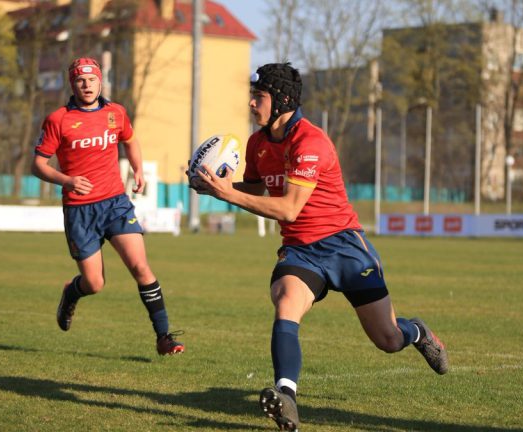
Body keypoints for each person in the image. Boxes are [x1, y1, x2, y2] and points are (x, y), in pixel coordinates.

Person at [190, 62, 448, 431]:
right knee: (286, 301)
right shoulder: (258, 143)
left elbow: (288, 208)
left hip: (345, 247)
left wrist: (226, 194)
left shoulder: (310, 143)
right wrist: (215, 184)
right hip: (301, 250)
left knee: (388, 339)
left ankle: (418, 332)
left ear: (280, 101)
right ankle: (287, 398)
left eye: (258, 97)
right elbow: (259, 189)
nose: (250, 103)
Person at [32, 57, 184, 356]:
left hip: (115, 204)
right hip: (79, 210)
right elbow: (37, 165)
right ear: (72, 84)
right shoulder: (58, 120)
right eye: (79, 80)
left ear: (100, 81)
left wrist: (137, 170)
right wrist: (67, 180)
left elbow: (130, 139)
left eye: (91, 79)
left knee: (141, 267)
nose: (86, 85)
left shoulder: (116, 113)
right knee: (95, 283)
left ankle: (164, 336)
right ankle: (71, 292)